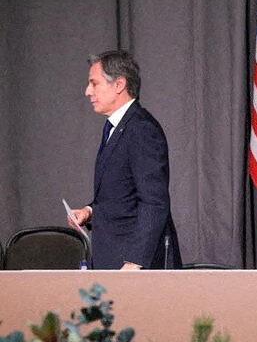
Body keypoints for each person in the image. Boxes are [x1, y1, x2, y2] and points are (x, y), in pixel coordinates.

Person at [69, 50, 182, 269]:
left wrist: (135, 261)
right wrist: (89, 211)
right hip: (114, 257)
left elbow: (154, 202)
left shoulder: (141, 129)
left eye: (94, 84)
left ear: (119, 84)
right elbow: (123, 193)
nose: (87, 92)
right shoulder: (115, 127)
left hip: (132, 266)